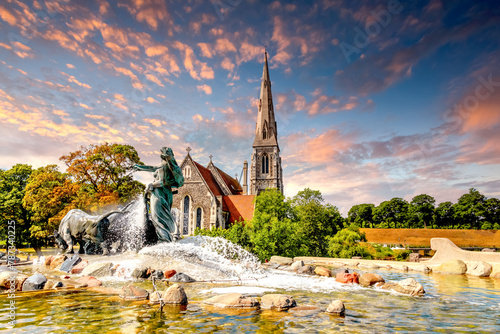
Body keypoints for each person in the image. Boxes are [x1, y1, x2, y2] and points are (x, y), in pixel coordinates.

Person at [134, 147, 184, 242]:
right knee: (163, 217)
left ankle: (164, 240)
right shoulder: (165, 166)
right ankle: (168, 237)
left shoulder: (163, 167)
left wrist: (151, 185)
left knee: (158, 218)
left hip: (159, 195)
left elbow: (162, 182)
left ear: (162, 156)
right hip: (166, 194)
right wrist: (140, 167)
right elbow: (153, 168)